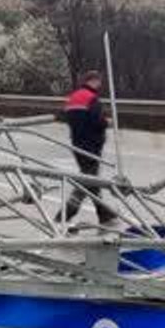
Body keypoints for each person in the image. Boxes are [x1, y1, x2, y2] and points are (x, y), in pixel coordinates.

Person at [58, 71, 117, 226]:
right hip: (92, 145)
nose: (100, 85)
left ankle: (104, 214)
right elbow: (97, 121)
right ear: (94, 81)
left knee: (91, 178)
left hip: (77, 143)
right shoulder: (92, 99)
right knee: (88, 179)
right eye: (99, 81)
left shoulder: (74, 97)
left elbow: (65, 117)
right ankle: (66, 213)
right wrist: (107, 122)